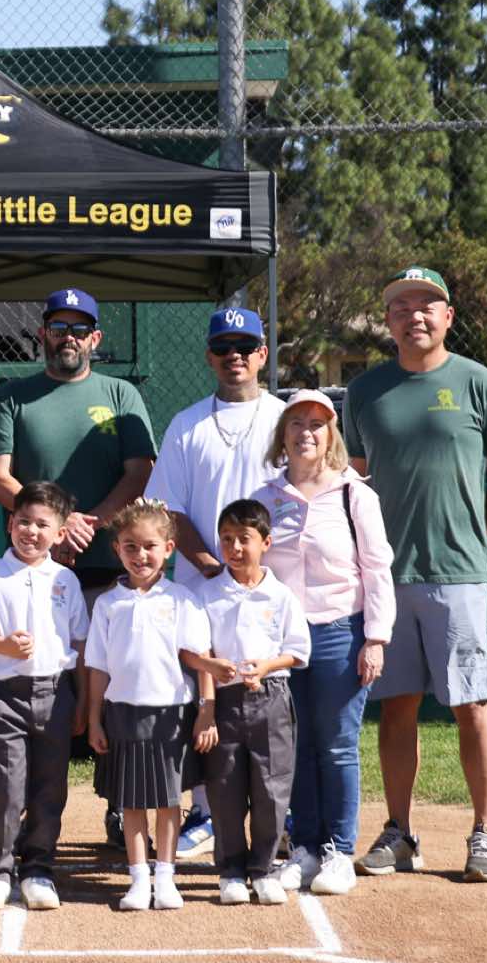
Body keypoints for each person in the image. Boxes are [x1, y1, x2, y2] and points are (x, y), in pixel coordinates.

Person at [344, 267, 487, 884]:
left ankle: (485, 834)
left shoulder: (481, 385)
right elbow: (356, 484)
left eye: (427, 305)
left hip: (457, 576)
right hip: (385, 578)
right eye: (401, 307)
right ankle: (399, 832)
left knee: (472, 704)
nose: (414, 316)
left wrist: (472, 535)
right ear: (387, 320)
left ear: (448, 317)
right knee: (396, 707)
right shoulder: (364, 392)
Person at [141, 307, 285, 858]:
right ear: (209, 356)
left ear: (262, 354)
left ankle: (276, 816)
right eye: (223, 347)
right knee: (205, 702)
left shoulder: (285, 419)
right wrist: (210, 566)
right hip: (203, 587)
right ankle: (205, 812)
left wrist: (253, 571)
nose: (234, 356)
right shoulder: (187, 423)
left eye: (245, 347)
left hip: (267, 587)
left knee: (267, 700)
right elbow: (167, 507)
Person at [254, 389, 395, 898]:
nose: (306, 433)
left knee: (336, 744)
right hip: (283, 640)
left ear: (331, 434)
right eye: (296, 423)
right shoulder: (265, 497)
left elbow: (377, 569)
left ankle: (339, 850)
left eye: (317, 424)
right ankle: (305, 849)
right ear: (283, 435)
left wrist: (375, 638)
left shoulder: (355, 495)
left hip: (340, 632)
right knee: (295, 746)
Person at [0, 479, 87, 913]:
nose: (31, 531)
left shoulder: (66, 580)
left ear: (60, 533)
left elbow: (80, 644)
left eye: (43, 525)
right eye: (23, 521)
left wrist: (83, 701)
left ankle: (38, 869)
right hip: (4, 697)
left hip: (56, 694)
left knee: (50, 789)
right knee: (7, 790)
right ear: (9, 523)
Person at [84, 499, 217, 913]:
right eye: (130, 546)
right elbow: (97, 667)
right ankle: (139, 879)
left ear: (169, 549)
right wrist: (94, 719)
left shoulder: (183, 600)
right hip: (122, 715)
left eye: (149, 546)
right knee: (131, 802)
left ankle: (165, 877)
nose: (140, 555)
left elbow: (201, 660)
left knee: (168, 801)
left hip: (171, 716)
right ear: (117, 550)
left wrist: (206, 712)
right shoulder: (107, 604)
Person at [0, 288, 156, 597]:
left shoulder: (121, 394)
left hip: (110, 567)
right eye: (58, 329)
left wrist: (86, 526)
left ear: (95, 338)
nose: (69, 338)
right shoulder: (11, 396)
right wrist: (56, 524)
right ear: (42, 334)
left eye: (80, 330)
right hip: (31, 567)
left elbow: (140, 473)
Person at [199, 498, 310, 907]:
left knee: (271, 787)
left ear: (265, 542)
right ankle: (230, 870)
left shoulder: (280, 596)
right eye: (226, 539)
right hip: (225, 701)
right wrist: (209, 701)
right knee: (225, 787)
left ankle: (262, 869)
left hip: (272, 699)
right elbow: (201, 651)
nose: (234, 548)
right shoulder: (207, 594)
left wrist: (266, 665)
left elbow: (297, 651)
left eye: (244, 538)